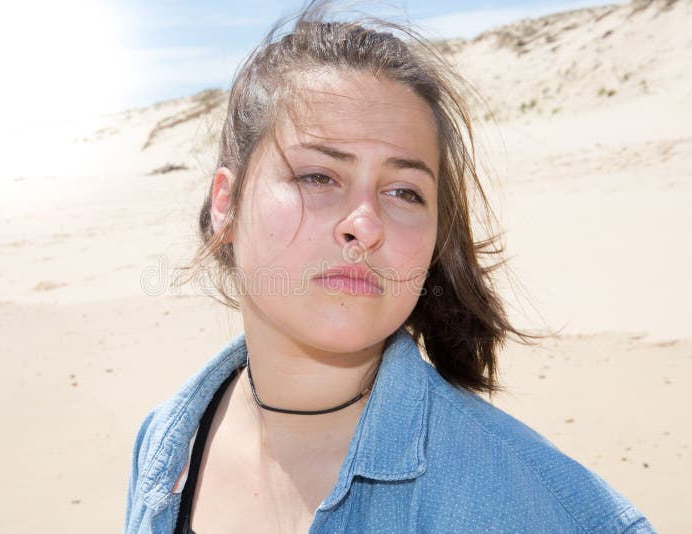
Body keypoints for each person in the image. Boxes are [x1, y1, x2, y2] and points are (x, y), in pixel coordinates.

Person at [124, 1, 655, 532]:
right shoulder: (163, 446)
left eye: (404, 191)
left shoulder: (535, 506)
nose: (365, 223)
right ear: (227, 203)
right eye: (318, 176)